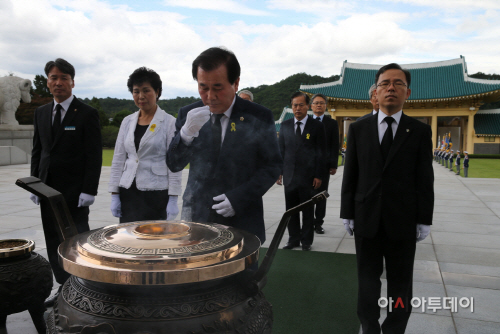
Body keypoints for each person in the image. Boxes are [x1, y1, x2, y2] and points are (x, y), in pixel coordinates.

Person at [340, 63, 434, 334]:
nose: (391, 88)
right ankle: (369, 328)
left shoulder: (418, 131)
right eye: (385, 83)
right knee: (367, 282)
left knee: (401, 284)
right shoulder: (358, 129)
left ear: (408, 92)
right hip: (366, 218)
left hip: (403, 221)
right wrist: (348, 212)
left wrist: (423, 219)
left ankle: (395, 329)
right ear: (376, 92)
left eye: (398, 83)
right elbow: (352, 175)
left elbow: (424, 178)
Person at [166, 47, 282, 243]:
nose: (210, 96)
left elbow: (272, 166)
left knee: (242, 273)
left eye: (218, 87)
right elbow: (174, 163)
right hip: (199, 217)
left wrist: (239, 198)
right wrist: (186, 134)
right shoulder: (189, 114)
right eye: (203, 87)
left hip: (242, 217)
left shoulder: (259, 116)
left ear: (235, 83)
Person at [30, 58, 102, 306]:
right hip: (47, 191)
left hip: (75, 193)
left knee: (76, 241)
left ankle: (84, 288)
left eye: (63, 77)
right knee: (52, 241)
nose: (58, 82)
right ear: (48, 82)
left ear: (72, 82)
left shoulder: (86, 113)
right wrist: (34, 184)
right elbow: (38, 151)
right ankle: (63, 287)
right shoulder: (40, 113)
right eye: (53, 77)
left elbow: (94, 156)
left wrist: (89, 190)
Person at [108, 67, 181, 223]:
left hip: (156, 192)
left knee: (154, 242)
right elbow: (118, 158)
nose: (141, 96)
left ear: (157, 92)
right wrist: (115, 194)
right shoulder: (127, 121)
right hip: (128, 191)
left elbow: (174, 163)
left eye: (146, 90)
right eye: (136, 91)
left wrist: (173, 198)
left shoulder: (169, 122)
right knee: (130, 241)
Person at [276, 92, 326, 251]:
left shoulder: (317, 126)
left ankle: (306, 241)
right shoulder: (285, 125)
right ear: (291, 107)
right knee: (291, 211)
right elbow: (281, 151)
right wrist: (279, 172)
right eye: (295, 105)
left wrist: (319, 174)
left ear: (307, 106)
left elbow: (321, 152)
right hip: (290, 176)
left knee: (307, 211)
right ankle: (293, 239)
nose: (298, 108)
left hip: (309, 177)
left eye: (301, 105)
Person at [310, 93, 339, 234]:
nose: (319, 105)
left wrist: (333, 164)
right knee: (308, 195)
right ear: (311, 106)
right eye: (316, 103)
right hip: (308, 166)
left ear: (326, 105)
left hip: (324, 166)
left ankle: (318, 223)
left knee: (321, 195)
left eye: (321, 103)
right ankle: (308, 222)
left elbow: (335, 145)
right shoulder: (306, 121)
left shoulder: (332, 123)